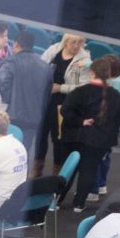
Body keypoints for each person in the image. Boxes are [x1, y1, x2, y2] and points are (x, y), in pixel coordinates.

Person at [59, 54, 120, 211]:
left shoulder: (80, 92)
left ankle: (57, 200)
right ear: (109, 75)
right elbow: (117, 122)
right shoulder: (116, 96)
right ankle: (79, 203)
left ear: (91, 72)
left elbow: (65, 110)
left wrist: (80, 121)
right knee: (89, 170)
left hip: (75, 136)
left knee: (69, 169)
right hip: (100, 141)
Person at [0, 32, 52, 160]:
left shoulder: (10, 61)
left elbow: (2, 82)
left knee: (5, 151)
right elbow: (48, 93)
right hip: (34, 117)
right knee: (22, 152)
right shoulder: (45, 66)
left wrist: (8, 100)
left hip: (12, 115)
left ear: (16, 44)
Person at [37, 33, 89, 167]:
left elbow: (83, 87)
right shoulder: (53, 50)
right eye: (73, 42)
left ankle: (58, 170)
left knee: (58, 138)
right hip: (44, 100)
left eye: (80, 43)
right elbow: (40, 66)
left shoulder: (85, 60)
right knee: (40, 134)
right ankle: (37, 167)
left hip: (64, 104)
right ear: (65, 42)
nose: (77, 46)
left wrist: (61, 88)